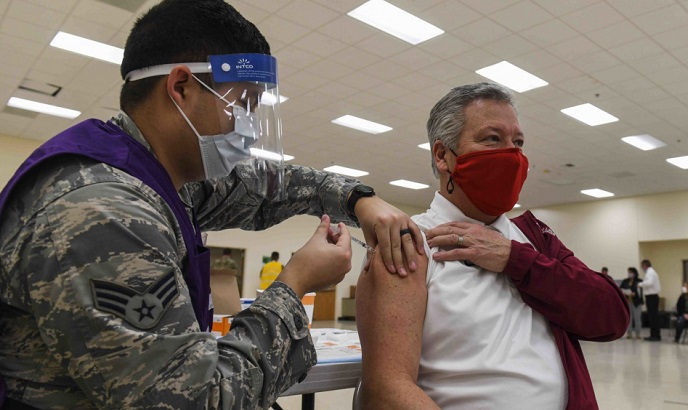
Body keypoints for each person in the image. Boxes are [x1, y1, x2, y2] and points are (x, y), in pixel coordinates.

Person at [0, 1, 426, 408]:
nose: (249, 129)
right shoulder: (105, 211)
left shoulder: (156, 176)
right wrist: (294, 283)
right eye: (242, 104)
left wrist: (357, 199)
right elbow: (200, 400)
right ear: (181, 87)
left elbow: (270, 189)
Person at [356, 83, 629, 409]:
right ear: (443, 156)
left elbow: (612, 316)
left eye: (518, 142)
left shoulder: (534, 238)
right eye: (492, 139)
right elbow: (386, 391)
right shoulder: (410, 242)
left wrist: (514, 258)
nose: (513, 155)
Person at [639, 259, 662, 342]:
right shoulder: (650, 272)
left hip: (652, 296)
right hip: (650, 296)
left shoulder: (650, 272)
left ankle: (656, 335)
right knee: (652, 316)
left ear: (645, 265)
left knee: (653, 316)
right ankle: (653, 334)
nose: (642, 268)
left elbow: (649, 283)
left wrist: (640, 284)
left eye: (642, 266)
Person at [619, 267, 643, 339]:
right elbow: (620, 288)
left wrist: (635, 293)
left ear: (634, 273)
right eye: (628, 272)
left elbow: (641, 291)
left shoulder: (639, 281)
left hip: (636, 302)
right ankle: (629, 333)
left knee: (637, 318)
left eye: (631, 272)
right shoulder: (625, 281)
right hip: (627, 301)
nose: (629, 274)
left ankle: (638, 333)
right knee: (629, 318)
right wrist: (624, 292)